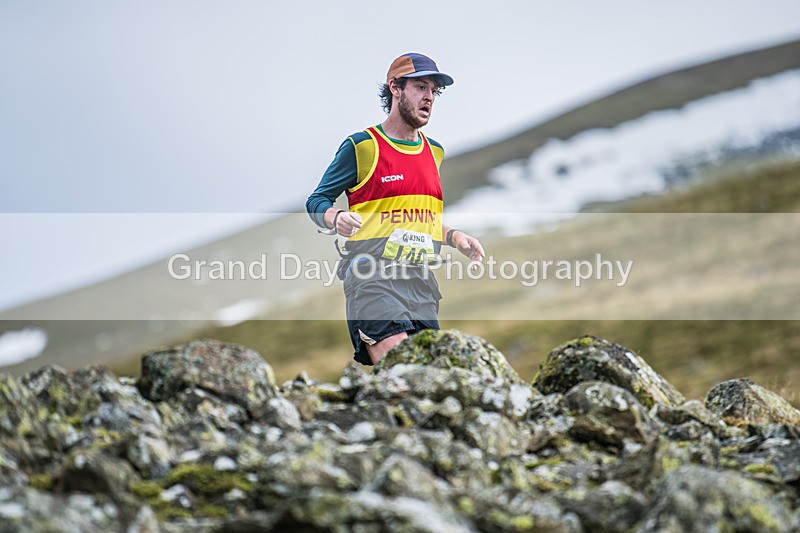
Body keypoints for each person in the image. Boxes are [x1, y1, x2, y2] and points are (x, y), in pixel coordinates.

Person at [306, 52, 484, 366]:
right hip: (372, 276)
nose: (429, 97)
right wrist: (336, 217)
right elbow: (317, 200)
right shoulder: (363, 146)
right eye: (421, 87)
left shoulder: (434, 152)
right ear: (395, 88)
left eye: (434, 91)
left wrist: (454, 237)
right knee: (402, 368)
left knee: (428, 376)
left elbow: (418, 218)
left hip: (420, 282)